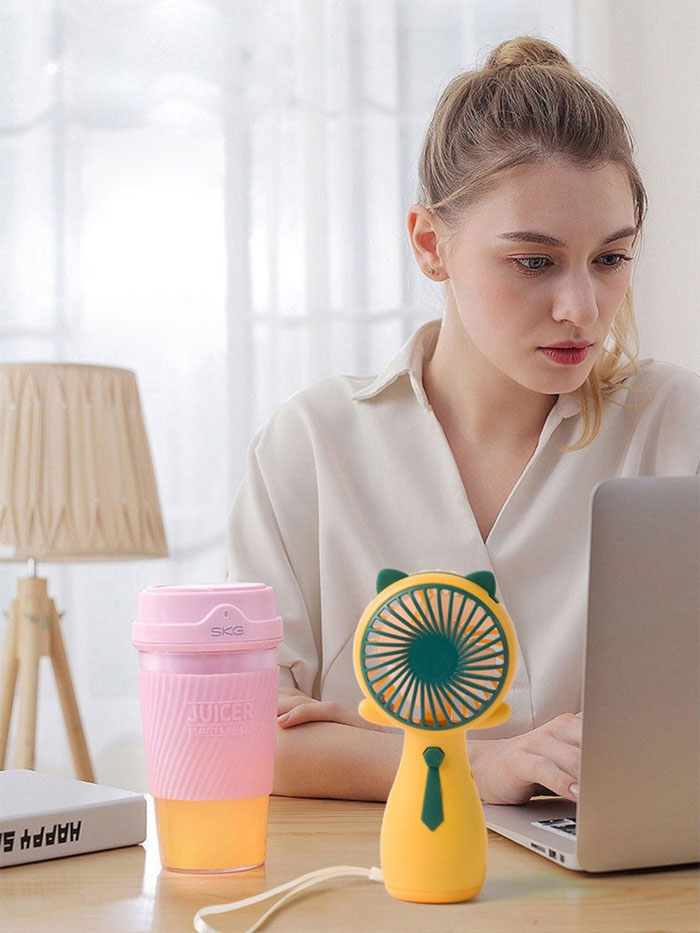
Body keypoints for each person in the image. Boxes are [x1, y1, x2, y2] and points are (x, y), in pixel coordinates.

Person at [226, 36, 700, 806]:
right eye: (534, 261)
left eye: (610, 259)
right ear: (430, 244)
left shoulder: (679, 427)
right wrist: (484, 764)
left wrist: (367, 745)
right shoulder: (310, 447)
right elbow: (249, 734)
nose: (581, 309)